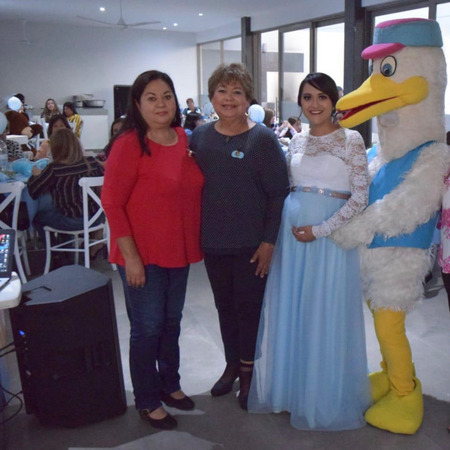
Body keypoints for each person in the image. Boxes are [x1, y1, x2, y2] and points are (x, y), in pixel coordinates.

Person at [248, 72, 371, 430]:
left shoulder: (351, 139)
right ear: (299, 102)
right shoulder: (297, 140)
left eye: (321, 97)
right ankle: (291, 392)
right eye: (307, 97)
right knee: (294, 310)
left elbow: (360, 197)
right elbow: (288, 187)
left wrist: (320, 230)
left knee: (324, 310)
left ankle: (322, 398)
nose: (314, 104)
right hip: (292, 235)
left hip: (329, 240)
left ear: (334, 101)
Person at [101, 70, 204, 430]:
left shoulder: (183, 137)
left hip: (177, 248)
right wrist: (131, 258)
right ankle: (147, 400)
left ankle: (170, 384)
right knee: (147, 327)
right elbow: (112, 203)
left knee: (171, 322)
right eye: (151, 98)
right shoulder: (129, 143)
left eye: (167, 96)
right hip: (140, 253)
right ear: (137, 104)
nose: (161, 104)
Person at [189, 62, 289, 410]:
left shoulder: (262, 139)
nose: (229, 98)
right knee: (224, 306)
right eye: (222, 91)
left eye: (237, 92)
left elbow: (278, 193)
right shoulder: (200, 137)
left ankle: (248, 372)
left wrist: (269, 241)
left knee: (249, 309)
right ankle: (232, 364)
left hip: (252, 244)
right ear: (211, 96)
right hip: (214, 241)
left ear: (248, 99)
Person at [27, 128, 104, 241]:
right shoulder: (91, 162)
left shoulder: (54, 169)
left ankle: (56, 247)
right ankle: (67, 244)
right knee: (60, 210)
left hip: (71, 221)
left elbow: (33, 191)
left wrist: (35, 175)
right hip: (96, 217)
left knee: (38, 217)